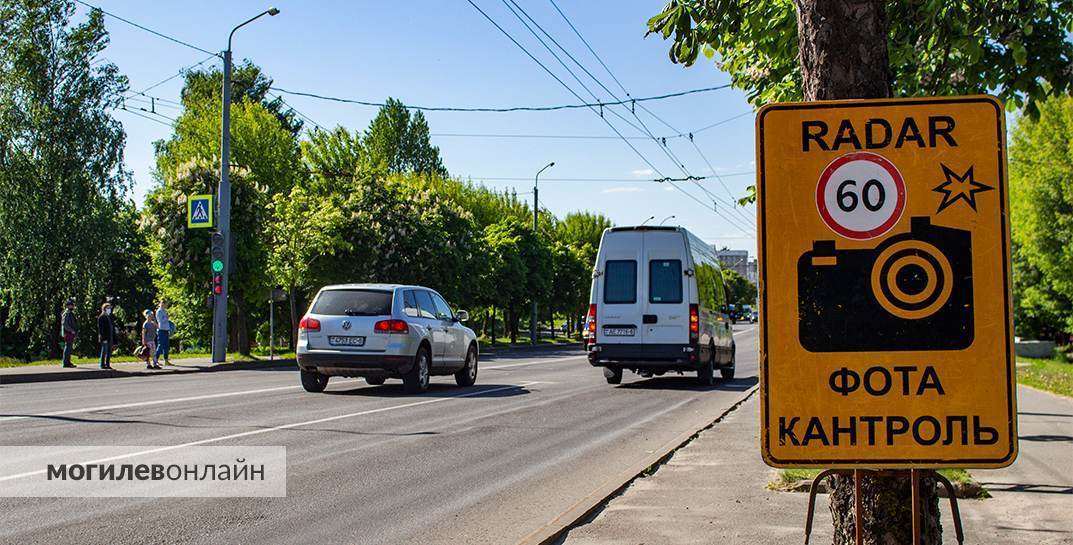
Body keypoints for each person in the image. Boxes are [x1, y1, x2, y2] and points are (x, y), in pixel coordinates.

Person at [97, 303, 115, 370]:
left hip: (109, 336)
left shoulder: (109, 316)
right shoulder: (101, 317)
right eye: (108, 308)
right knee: (104, 351)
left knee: (109, 352)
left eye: (110, 308)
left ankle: (107, 364)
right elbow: (101, 329)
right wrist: (103, 338)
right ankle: (102, 364)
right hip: (104, 337)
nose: (109, 310)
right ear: (104, 309)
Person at [60, 299, 77, 368]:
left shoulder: (69, 312)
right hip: (68, 333)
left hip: (70, 332)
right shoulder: (67, 313)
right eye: (72, 305)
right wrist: (71, 330)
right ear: (68, 306)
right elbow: (65, 324)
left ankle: (68, 362)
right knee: (68, 347)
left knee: (69, 347)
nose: (73, 306)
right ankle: (66, 363)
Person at [155, 300, 172, 366]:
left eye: (165, 304)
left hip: (166, 330)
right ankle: (155, 359)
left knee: (166, 346)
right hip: (161, 330)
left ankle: (166, 360)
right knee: (160, 345)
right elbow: (160, 321)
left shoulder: (164, 311)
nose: (164, 305)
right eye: (163, 304)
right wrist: (167, 317)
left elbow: (166, 320)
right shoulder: (159, 311)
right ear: (160, 304)